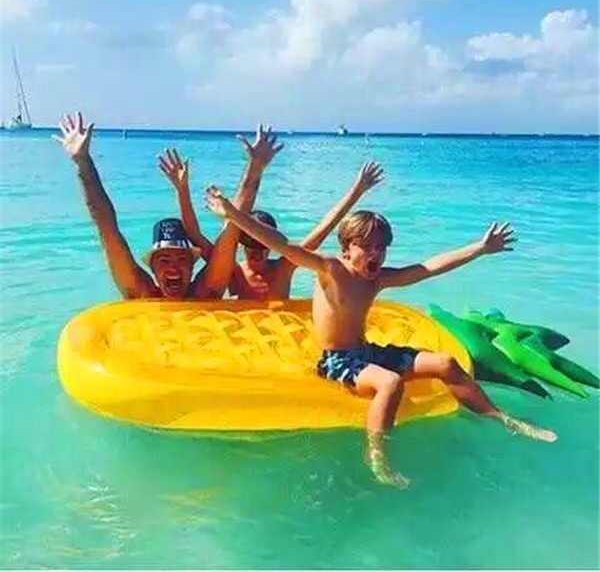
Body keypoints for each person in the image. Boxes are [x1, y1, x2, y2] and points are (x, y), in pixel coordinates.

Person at [204, 180, 558, 487]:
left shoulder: (376, 279)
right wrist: (233, 214)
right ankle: (377, 455)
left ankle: (501, 418)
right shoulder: (330, 270)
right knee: (390, 383)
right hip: (337, 361)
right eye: (367, 246)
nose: (376, 253)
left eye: (381, 247)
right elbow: (283, 246)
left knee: (446, 363)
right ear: (347, 248)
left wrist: (479, 248)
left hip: (367, 352)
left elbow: (428, 268)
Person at [54, 112, 282, 299]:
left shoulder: (206, 292)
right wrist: (83, 161)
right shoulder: (141, 294)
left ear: (193, 266)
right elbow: (107, 229)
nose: (173, 268)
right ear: (152, 268)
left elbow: (232, 229)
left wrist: (255, 168)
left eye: (181, 259)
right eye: (164, 260)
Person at [159, 150, 385, 299]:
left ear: (271, 243)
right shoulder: (234, 272)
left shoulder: (283, 268)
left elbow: (321, 232)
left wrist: (357, 191)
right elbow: (193, 234)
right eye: (250, 244)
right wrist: (181, 189)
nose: (257, 251)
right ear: (241, 244)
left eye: (263, 244)